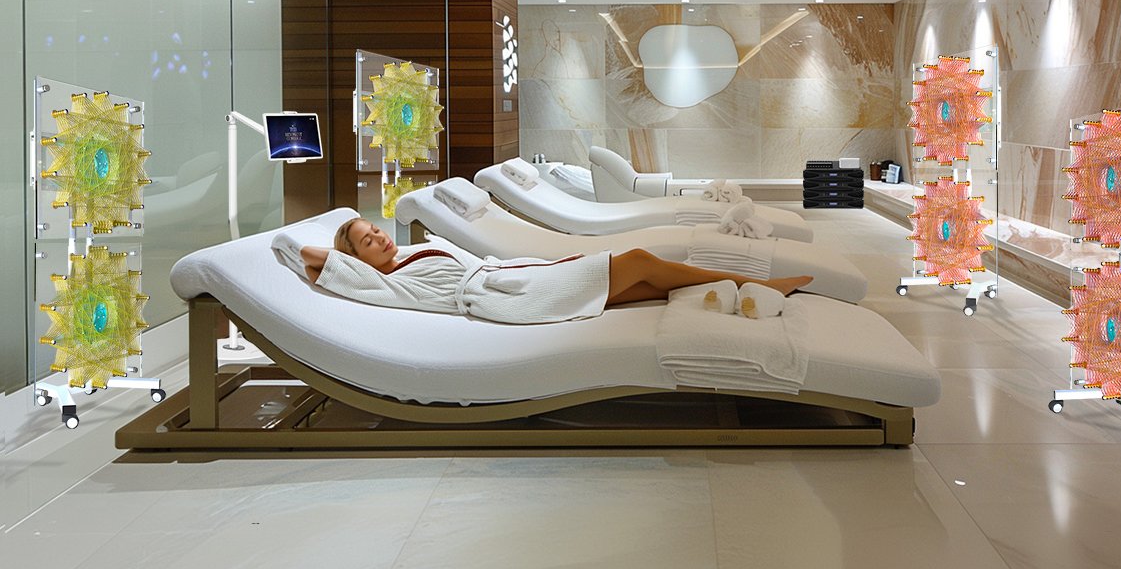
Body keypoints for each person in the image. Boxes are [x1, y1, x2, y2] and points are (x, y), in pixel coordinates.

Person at [272, 217, 812, 326]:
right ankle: (757, 286)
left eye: (377, 229)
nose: (381, 237)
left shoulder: (416, 247)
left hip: (517, 274)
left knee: (644, 285)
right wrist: (339, 239)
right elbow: (302, 254)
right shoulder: (385, 281)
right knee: (641, 262)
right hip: (509, 297)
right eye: (368, 240)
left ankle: (722, 294)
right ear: (358, 260)